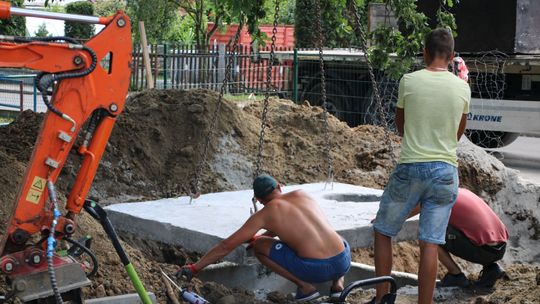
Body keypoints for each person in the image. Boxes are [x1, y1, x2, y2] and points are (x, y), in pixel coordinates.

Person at [371, 28, 471, 304]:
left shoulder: (409, 81)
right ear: (451, 57)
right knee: (430, 241)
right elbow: (457, 133)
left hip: (412, 167)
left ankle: (382, 298)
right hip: (446, 173)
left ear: (425, 53)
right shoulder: (463, 87)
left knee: (383, 231)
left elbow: (401, 126)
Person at [176, 175, 351, 302]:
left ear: (259, 200)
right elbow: (294, 227)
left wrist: (194, 268)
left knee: (259, 245)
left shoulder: (266, 213)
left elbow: (226, 245)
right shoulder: (302, 194)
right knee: (335, 237)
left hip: (316, 270)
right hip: (343, 261)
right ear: (280, 186)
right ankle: (337, 285)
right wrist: (267, 234)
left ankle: (305, 287)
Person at [436, 188, 508, 289]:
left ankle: (455, 276)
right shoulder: (463, 191)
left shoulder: (439, 198)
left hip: (483, 251)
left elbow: (415, 212)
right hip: (501, 248)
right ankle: (491, 269)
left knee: (429, 235)